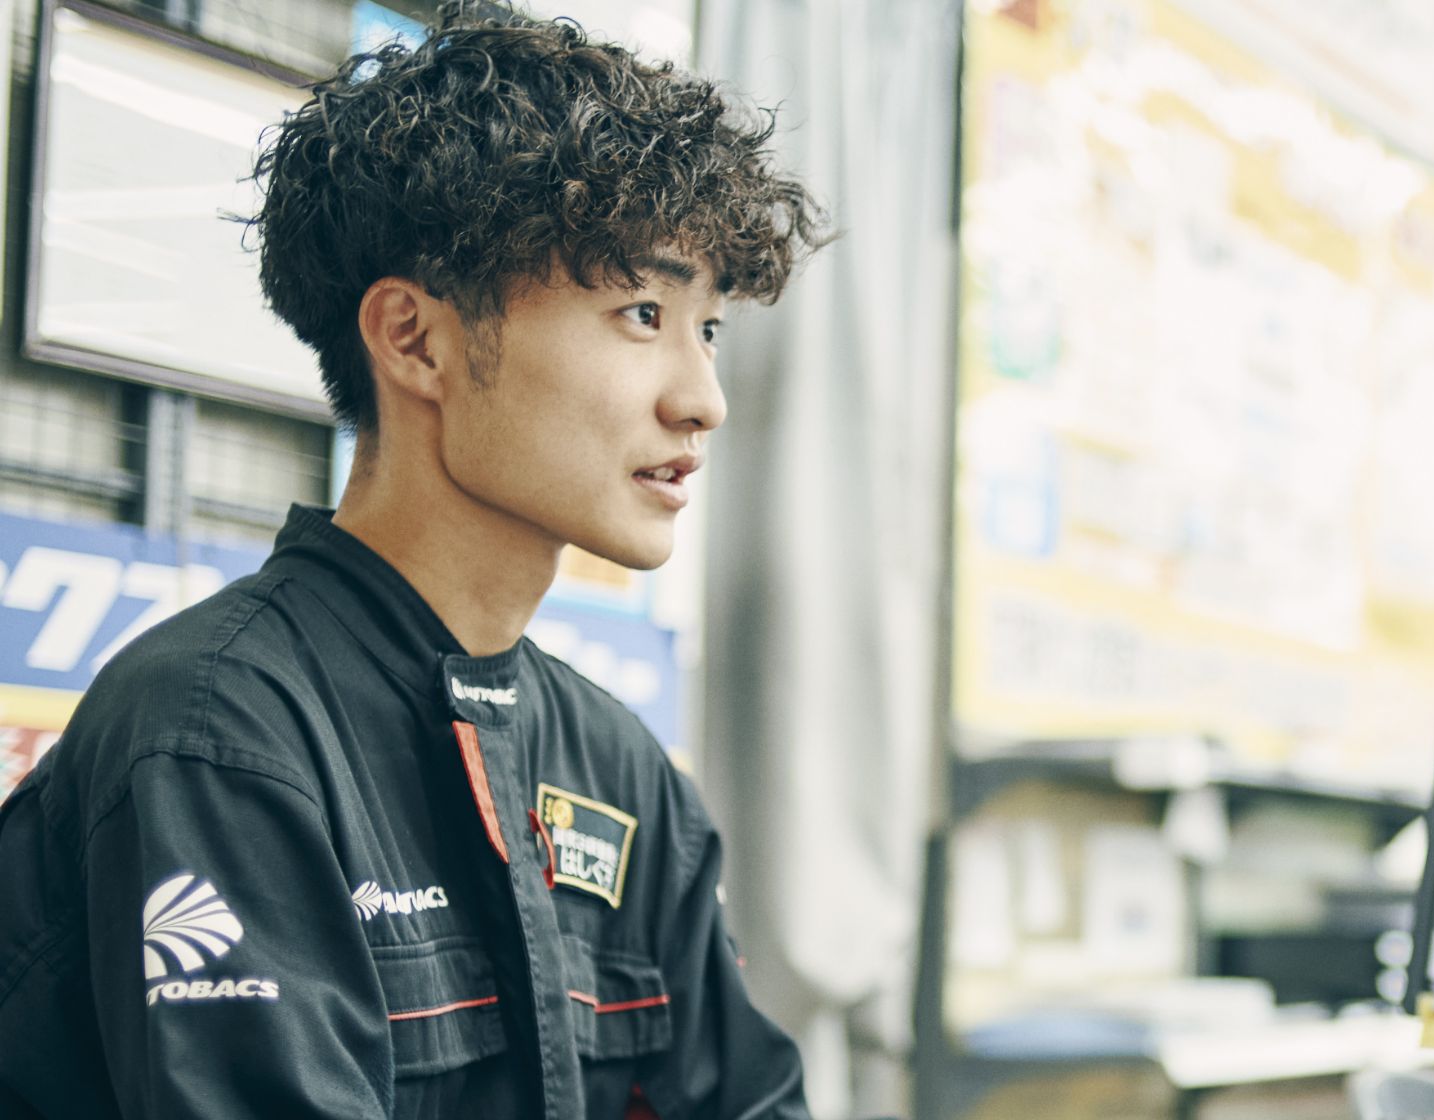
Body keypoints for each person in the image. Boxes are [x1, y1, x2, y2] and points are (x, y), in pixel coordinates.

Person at [0, 4, 829, 1115]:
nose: (703, 399)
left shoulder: (619, 771)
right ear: (415, 339)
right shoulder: (218, 740)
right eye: (643, 312)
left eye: (708, 328)